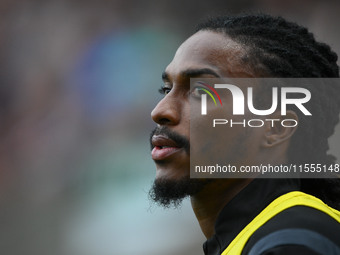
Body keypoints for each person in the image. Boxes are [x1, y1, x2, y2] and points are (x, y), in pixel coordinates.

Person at [149, 14, 340, 255]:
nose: (160, 111)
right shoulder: (261, 236)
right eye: (166, 89)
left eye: (202, 92)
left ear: (275, 128)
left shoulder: (293, 241)